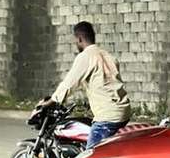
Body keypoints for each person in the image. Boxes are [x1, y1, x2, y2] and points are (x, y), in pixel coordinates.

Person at [41, 21, 131, 149]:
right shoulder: (108, 55)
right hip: (123, 111)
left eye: (75, 41)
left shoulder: (85, 57)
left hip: (107, 117)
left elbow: (69, 84)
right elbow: (107, 85)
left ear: (79, 39)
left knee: (89, 157)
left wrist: (51, 101)